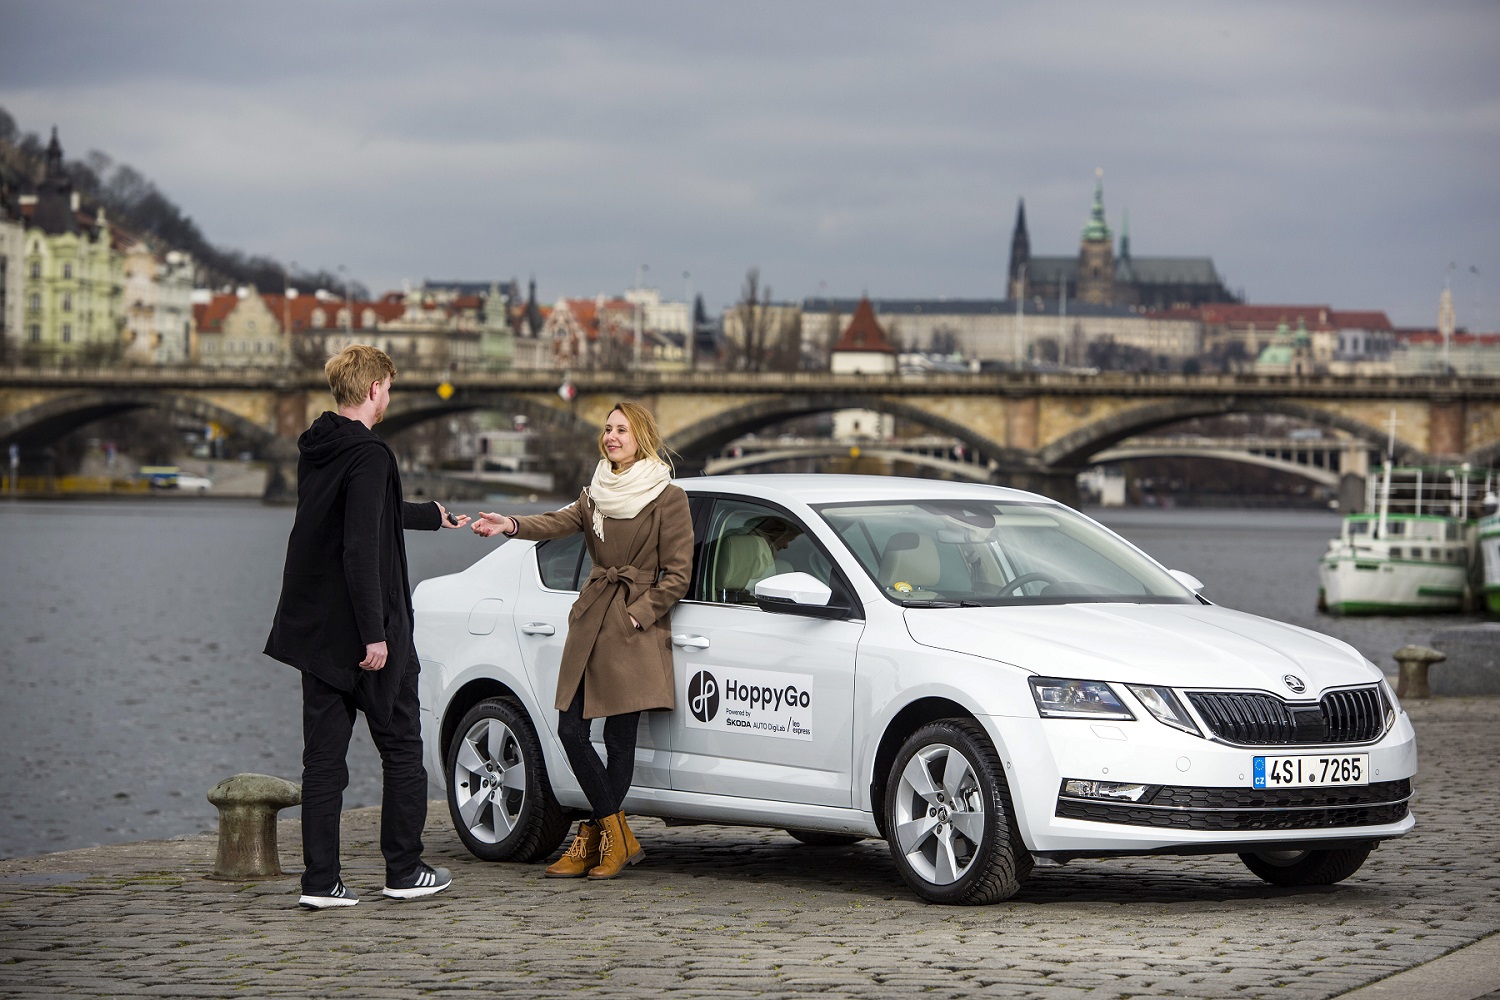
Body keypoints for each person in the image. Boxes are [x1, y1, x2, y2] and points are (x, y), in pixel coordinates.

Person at [264, 344, 470, 910]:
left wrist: (430, 515)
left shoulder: (320, 448)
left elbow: (364, 513)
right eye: (390, 388)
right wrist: (375, 634)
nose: (389, 398)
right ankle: (403, 869)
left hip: (317, 632)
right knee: (403, 748)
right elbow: (360, 547)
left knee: (323, 760)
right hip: (368, 632)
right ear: (376, 386)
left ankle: (320, 883)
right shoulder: (372, 454)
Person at [471, 400, 692, 880]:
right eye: (607, 429)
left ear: (642, 437)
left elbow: (677, 575)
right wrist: (509, 525)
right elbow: (558, 523)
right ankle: (617, 834)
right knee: (570, 730)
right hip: (591, 618)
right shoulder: (596, 492)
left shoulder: (667, 496)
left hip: (630, 627)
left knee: (618, 738)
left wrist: (638, 617)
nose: (611, 437)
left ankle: (596, 840)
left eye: (621, 430)